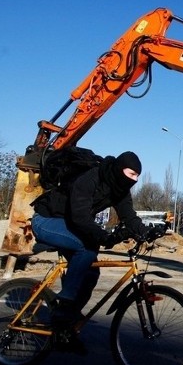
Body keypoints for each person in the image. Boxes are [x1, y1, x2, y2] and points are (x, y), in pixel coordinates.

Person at [31, 151, 148, 354]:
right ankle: (66, 301)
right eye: (131, 174)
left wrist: (146, 231)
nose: (134, 180)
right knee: (87, 247)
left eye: (137, 176)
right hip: (46, 221)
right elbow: (80, 218)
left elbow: (129, 216)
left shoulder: (119, 189)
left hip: (70, 225)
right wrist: (103, 236)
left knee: (91, 272)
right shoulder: (91, 178)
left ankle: (65, 329)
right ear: (120, 169)